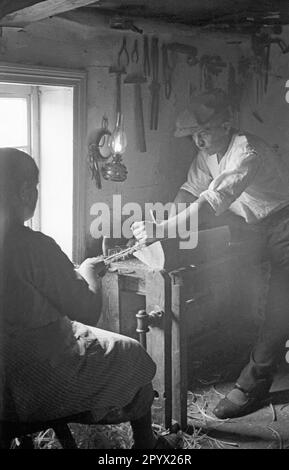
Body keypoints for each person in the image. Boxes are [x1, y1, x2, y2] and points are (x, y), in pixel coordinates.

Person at [0, 147, 180, 449]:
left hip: (6, 374)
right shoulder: (35, 247)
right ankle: (147, 445)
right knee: (133, 354)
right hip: (36, 381)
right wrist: (89, 274)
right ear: (25, 192)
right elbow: (86, 312)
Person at [132, 89, 289, 419]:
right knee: (232, 280)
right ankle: (238, 353)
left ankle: (252, 385)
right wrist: (164, 224)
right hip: (250, 223)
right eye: (194, 135)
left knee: (280, 303)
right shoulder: (208, 154)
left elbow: (209, 202)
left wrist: (163, 230)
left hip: (283, 221)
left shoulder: (246, 151)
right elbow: (190, 191)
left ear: (227, 125)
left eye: (204, 132)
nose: (199, 141)